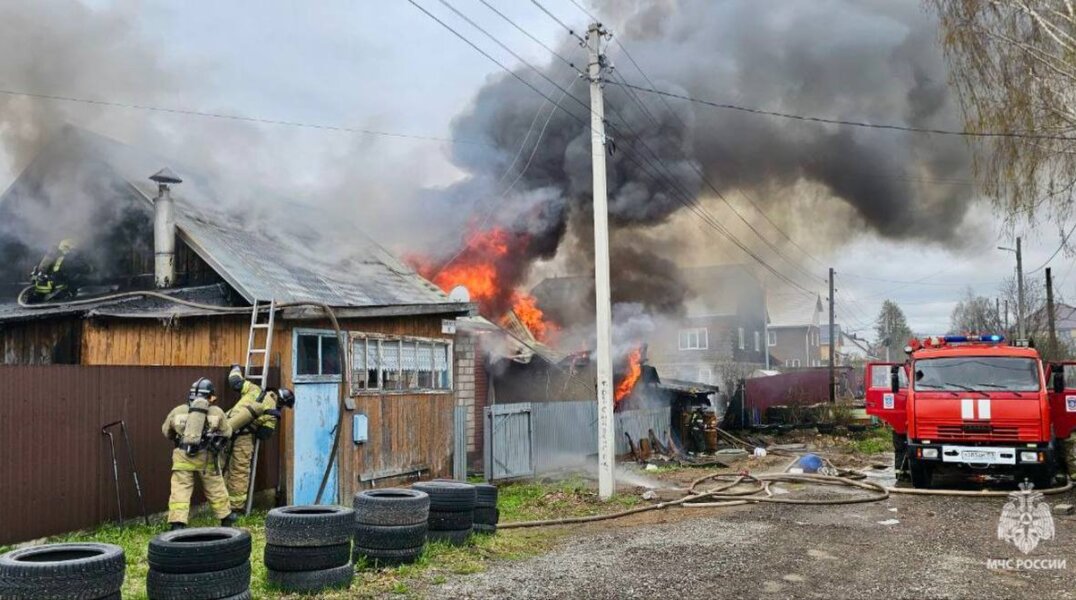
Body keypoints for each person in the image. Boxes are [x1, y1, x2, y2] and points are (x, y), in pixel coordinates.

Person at [162, 377, 234, 530]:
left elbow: (166, 431)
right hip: (206, 458)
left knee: (180, 490)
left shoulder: (177, 411)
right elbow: (227, 432)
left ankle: (177, 524)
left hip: (183, 457)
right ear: (210, 396)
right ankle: (226, 518)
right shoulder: (217, 412)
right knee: (215, 487)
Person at [223, 364, 295, 517]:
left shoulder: (254, 389)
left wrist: (235, 367)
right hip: (243, 439)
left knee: (221, 468)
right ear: (282, 402)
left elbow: (235, 381)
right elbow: (264, 434)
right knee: (239, 472)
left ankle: (219, 505)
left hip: (223, 430)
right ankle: (235, 509)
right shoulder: (272, 413)